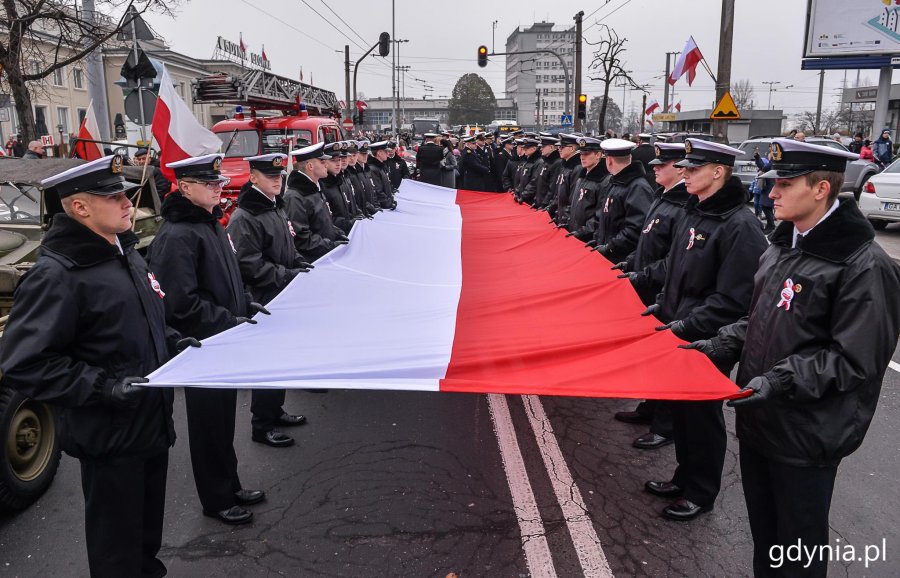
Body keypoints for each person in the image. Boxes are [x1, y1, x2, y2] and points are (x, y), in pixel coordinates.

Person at [683, 138, 900, 576]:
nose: (771, 192)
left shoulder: (864, 264)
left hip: (806, 433)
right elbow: (760, 318)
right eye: (772, 183)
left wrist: (778, 381)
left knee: (798, 554)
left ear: (821, 189)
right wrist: (722, 343)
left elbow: (855, 359)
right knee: (767, 541)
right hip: (762, 420)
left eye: (784, 183)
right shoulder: (783, 244)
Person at [0, 155, 181, 578]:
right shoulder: (58, 275)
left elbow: (131, 323)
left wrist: (172, 341)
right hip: (110, 435)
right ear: (80, 208)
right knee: (116, 552)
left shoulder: (123, 253)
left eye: (124, 193)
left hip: (149, 424)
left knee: (144, 541)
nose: (126, 203)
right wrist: (104, 388)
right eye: (113, 196)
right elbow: (25, 362)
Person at [645, 139, 768, 521]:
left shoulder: (740, 224)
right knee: (681, 412)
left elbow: (734, 298)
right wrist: (662, 307)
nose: (684, 173)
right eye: (683, 167)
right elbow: (676, 267)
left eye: (693, 168)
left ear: (718, 172)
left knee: (701, 416)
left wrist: (685, 326)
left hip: (710, 339)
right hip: (681, 330)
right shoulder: (693, 211)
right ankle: (684, 476)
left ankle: (701, 491)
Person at [148, 153, 267, 526]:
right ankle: (216, 499)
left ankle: (230, 484)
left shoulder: (209, 223)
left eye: (218, 183)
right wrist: (230, 319)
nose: (218, 188)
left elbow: (226, 277)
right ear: (184, 188)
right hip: (202, 345)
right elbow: (181, 304)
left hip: (221, 341)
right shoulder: (179, 234)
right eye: (209, 183)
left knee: (223, 423)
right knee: (207, 427)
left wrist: (246, 302)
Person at [227, 153, 310, 448]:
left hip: (283, 291)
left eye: (279, 176)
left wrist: (300, 264)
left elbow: (288, 243)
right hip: (264, 296)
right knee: (267, 361)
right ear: (253, 178)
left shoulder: (275, 207)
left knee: (282, 356)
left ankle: (275, 410)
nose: (277, 181)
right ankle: (261, 425)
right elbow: (249, 265)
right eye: (270, 177)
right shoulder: (245, 216)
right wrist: (287, 274)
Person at [612, 143, 690, 450]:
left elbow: (674, 258)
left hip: (663, 289)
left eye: (663, 164)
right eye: (655, 163)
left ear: (681, 169)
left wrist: (644, 274)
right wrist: (630, 264)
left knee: (669, 361)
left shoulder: (683, 204)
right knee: (653, 357)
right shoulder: (663, 196)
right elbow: (648, 240)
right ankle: (651, 407)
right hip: (653, 288)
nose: (655, 167)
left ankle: (665, 424)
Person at [590, 138, 654, 264]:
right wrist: (598, 238)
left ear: (609, 160)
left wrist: (610, 247)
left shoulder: (637, 187)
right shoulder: (616, 182)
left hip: (622, 260)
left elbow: (636, 228)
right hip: (610, 255)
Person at [284, 143, 349, 262]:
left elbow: (323, 223)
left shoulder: (315, 190)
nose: (326, 165)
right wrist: (330, 245)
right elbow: (301, 239)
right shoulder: (294, 197)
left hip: (325, 256)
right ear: (310, 166)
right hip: (314, 261)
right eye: (322, 162)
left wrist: (337, 233)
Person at [565, 136, 610, 241]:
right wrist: (568, 221)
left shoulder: (604, 180)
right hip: (575, 233)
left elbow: (600, 215)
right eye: (581, 154)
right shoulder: (582, 176)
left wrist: (583, 232)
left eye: (586, 154)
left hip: (587, 238)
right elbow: (574, 204)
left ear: (598, 154)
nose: (582, 157)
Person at [320, 142, 360, 234]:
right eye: (333, 160)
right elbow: (328, 218)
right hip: (337, 235)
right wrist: (348, 223)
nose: (338, 164)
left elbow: (347, 205)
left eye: (339, 160)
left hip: (348, 231)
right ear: (325, 162)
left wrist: (356, 215)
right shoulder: (323, 185)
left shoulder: (339, 181)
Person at [550, 133, 583, 226]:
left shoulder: (577, 168)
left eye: (562, 147)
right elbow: (560, 194)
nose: (559, 149)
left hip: (568, 221)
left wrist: (565, 219)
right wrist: (557, 214)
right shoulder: (565, 165)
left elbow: (573, 198)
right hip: (561, 217)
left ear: (572, 148)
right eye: (559, 147)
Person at [533, 133, 562, 210]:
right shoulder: (546, 161)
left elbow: (552, 188)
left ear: (552, 147)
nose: (541, 149)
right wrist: (536, 201)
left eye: (543, 147)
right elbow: (539, 182)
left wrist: (544, 204)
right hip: (541, 203)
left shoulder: (557, 163)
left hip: (547, 206)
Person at [366, 141, 398, 208]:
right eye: (386, 152)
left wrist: (391, 200)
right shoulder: (373, 169)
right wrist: (388, 203)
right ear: (379, 153)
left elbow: (386, 186)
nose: (388, 154)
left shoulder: (380, 167)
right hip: (382, 207)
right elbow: (378, 190)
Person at [513, 137, 543, 203]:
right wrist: (517, 192)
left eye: (527, 148)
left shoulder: (539, 162)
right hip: (523, 197)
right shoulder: (527, 161)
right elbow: (522, 180)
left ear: (534, 148)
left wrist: (523, 195)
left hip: (530, 199)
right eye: (524, 148)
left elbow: (534, 182)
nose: (524, 149)